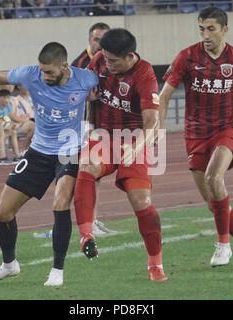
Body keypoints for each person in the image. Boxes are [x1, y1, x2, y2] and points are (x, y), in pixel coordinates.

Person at [0, 42, 98, 286]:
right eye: (42, 71)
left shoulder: (85, 79)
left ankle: (57, 270)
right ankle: (9, 265)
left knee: (60, 202)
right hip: (38, 151)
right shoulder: (31, 74)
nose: (44, 76)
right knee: (3, 211)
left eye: (49, 72)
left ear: (63, 66)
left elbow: (110, 86)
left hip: (68, 152)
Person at [159, 7, 233, 268]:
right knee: (214, 205)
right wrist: (158, 127)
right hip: (194, 134)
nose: (205, 34)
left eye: (211, 29)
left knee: (214, 177)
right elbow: (164, 95)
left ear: (224, 29)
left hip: (225, 129)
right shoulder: (186, 57)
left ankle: (223, 245)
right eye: (201, 29)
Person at [73, 28, 168, 281]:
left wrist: (137, 147)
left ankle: (155, 263)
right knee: (86, 164)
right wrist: (87, 99)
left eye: (113, 61)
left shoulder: (145, 75)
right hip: (104, 136)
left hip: (133, 141)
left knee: (141, 202)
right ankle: (86, 234)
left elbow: (152, 123)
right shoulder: (99, 62)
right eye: (105, 58)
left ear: (129, 56)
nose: (107, 64)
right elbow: (82, 93)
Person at [71, 22, 116, 237]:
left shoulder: (110, 59)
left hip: (98, 125)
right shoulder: (81, 63)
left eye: (104, 39)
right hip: (82, 125)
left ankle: (93, 220)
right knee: (80, 175)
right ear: (90, 39)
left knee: (94, 176)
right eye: (97, 39)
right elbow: (72, 94)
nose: (100, 43)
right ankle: (85, 222)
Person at [9, 85, 35, 153]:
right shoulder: (15, 100)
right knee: (33, 126)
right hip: (20, 124)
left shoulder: (34, 99)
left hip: (35, 122)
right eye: (24, 85)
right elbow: (12, 115)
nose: (27, 87)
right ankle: (25, 149)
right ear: (19, 87)